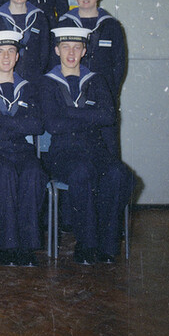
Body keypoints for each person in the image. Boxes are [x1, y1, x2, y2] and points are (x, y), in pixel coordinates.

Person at [38, 27, 134, 264]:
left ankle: (108, 244)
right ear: (57, 50)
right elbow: (53, 124)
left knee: (119, 174)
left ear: (83, 51)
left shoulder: (96, 80)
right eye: (66, 47)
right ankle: (87, 243)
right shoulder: (47, 83)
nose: (71, 53)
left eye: (77, 48)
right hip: (63, 151)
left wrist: (69, 112)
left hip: (95, 149)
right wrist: (89, 114)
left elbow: (109, 116)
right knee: (82, 173)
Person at [0, 31, 48, 267]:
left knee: (34, 173)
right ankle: (9, 245)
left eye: (11, 51)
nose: (6, 56)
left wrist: (3, 124)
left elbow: (37, 124)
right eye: (0, 52)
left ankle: (27, 245)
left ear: (17, 57)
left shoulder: (28, 88)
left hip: (22, 150)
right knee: (4, 174)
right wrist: (16, 126)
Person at [56, 0, 127, 156]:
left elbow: (119, 64)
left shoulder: (111, 25)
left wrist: (108, 93)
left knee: (109, 155)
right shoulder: (64, 23)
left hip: (103, 100)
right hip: (72, 100)